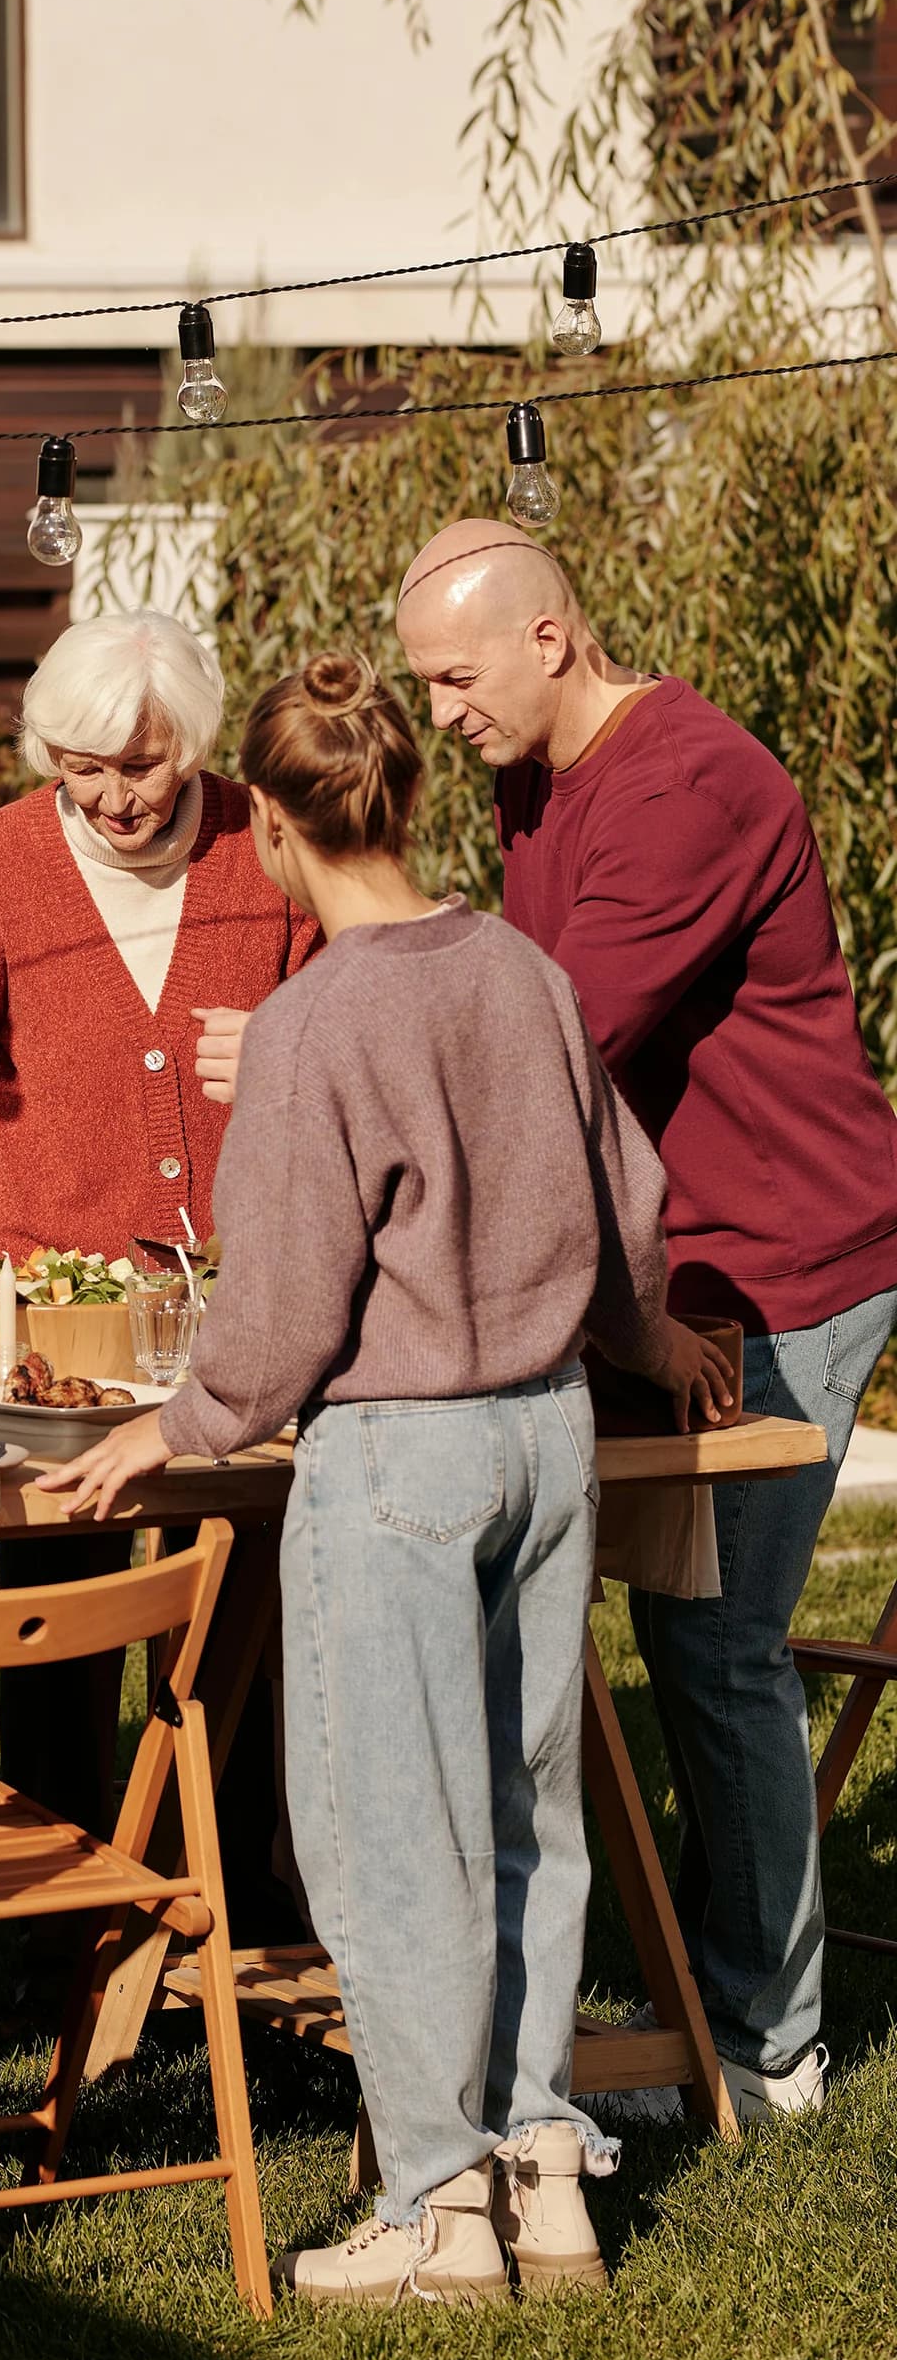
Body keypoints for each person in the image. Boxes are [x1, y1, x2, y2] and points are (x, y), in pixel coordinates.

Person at [35, 653, 725, 2307]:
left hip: (398, 1450)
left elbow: (275, 1321)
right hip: (549, 1429)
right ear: (403, 796)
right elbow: (628, 1207)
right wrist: (650, 1339)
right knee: (532, 1803)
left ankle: (435, 2197)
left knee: (387, 1828)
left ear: (265, 821)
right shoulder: (527, 975)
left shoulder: (312, 1020)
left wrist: (176, 1423)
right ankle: (546, 2162)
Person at [395, 521, 897, 2125]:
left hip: (790, 1258)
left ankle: (772, 2042)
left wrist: (345, 1065)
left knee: (715, 1634)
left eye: (454, 676)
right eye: (420, 684)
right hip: (676, 1261)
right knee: (673, 1620)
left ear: (549, 639)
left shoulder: (689, 786)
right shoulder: (535, 778)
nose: (440, 710)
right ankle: (700, 1978)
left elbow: (554, 1038)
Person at [0, 609, 316, 1836]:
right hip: (57, 1330)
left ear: (195, 742)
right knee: (60, 1618)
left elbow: (349, 1020)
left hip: (241, 1305)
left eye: (143, 763)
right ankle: (54, 1905)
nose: (115, 797)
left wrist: (281, 1050)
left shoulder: (264, 843)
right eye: (83, 768)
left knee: (243, 1619)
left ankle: (244, 1905)